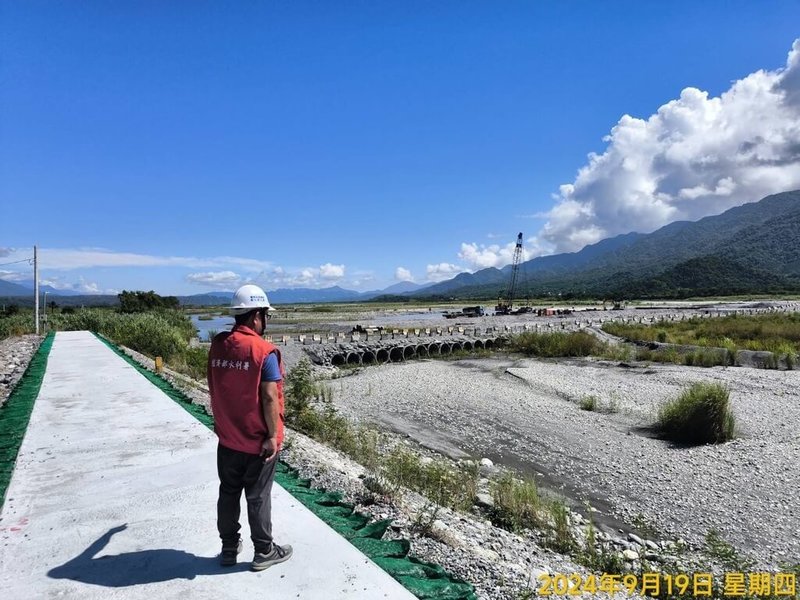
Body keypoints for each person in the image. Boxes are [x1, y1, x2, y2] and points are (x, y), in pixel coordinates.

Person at [207, 284, 293, 571]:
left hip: (228, 438)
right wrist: (271, 436)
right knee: (258, 496)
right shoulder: (263, 351)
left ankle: (229, 548)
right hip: (257, 442)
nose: (266, 321)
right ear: (256, 315)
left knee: (228, 492)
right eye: (265, 315)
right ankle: (264, 551)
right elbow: (269, 396)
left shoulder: (219, 344)